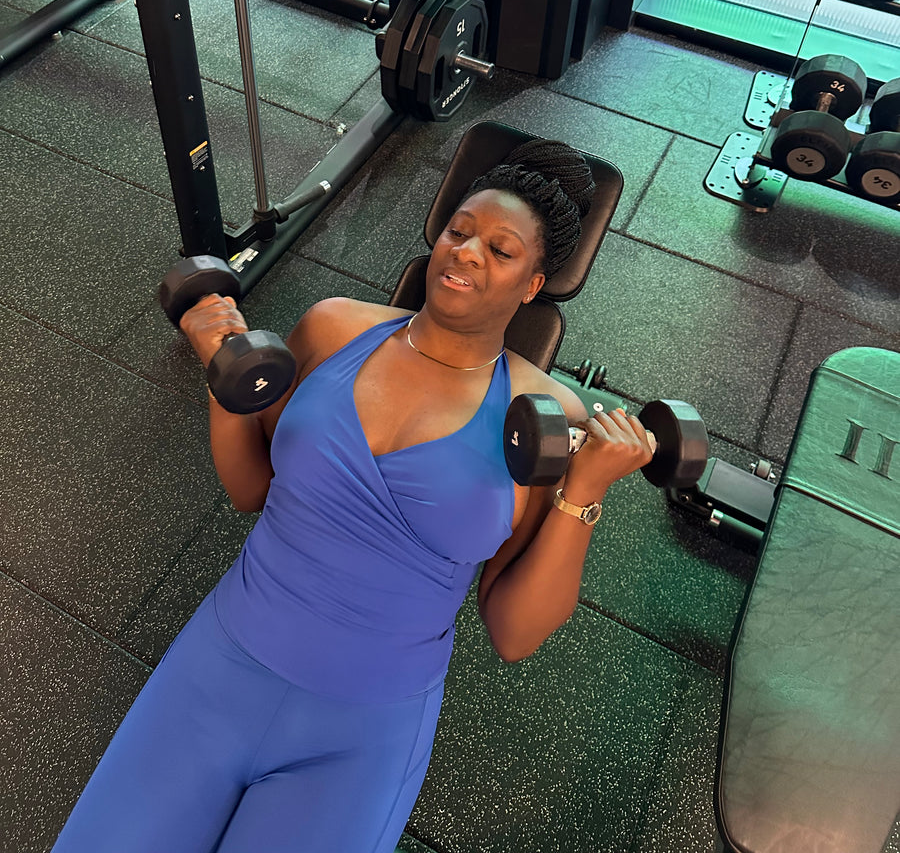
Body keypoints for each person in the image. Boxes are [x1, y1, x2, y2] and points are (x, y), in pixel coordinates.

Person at [52, 138, 654, 853]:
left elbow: (515, 632)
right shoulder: (335, 326)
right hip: (219, 662)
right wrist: (224, 373)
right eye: (459, 232)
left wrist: (582, 494)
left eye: (500, 250)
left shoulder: (548, 418)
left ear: (533, 283)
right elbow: (252, 490)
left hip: (363, 729)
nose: (465, 253)